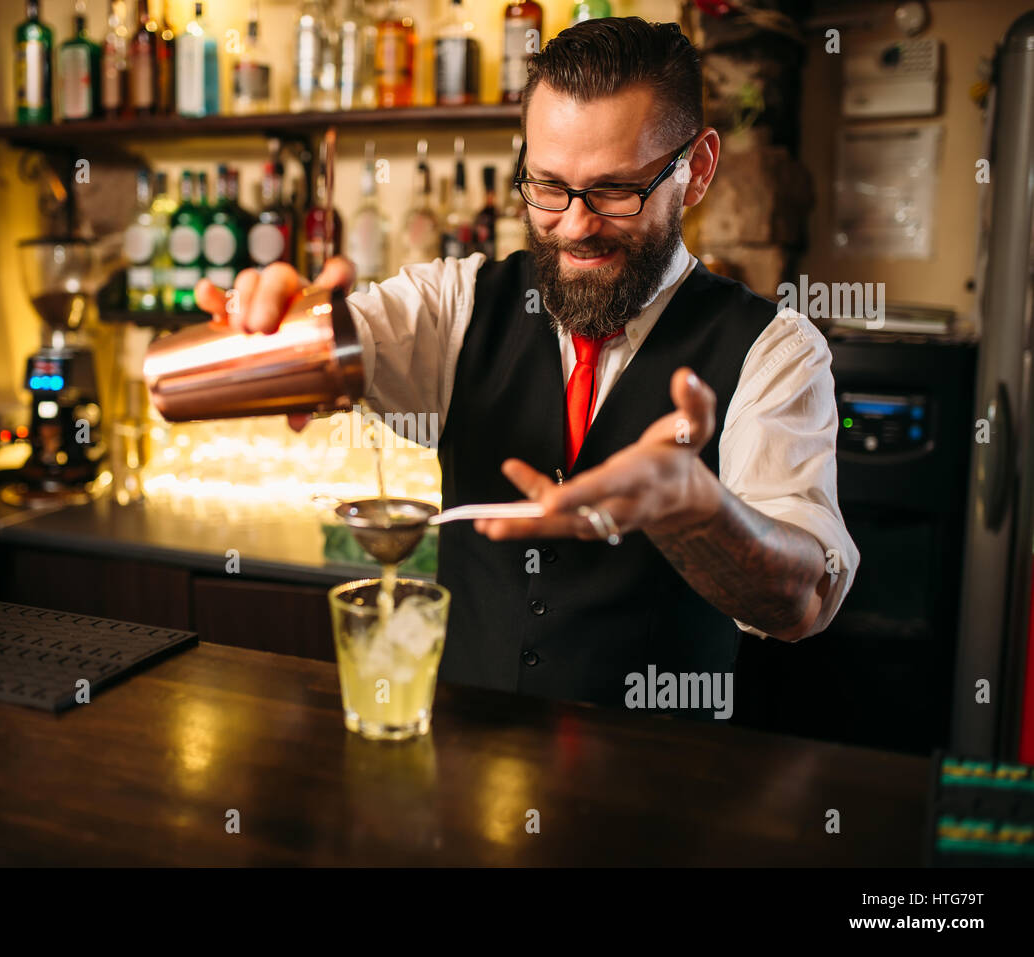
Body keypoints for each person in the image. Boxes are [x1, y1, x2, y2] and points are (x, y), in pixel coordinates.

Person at [194, 16, 859, 715]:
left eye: (613, 191)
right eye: (548, 187)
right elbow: (341, 336)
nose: (574, 225)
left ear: (696, 170)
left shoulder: (774, 351)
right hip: (464, 783)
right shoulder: (458, 304)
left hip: (665, 798)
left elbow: (802, 601)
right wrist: (277, 327)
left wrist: (697, 512)